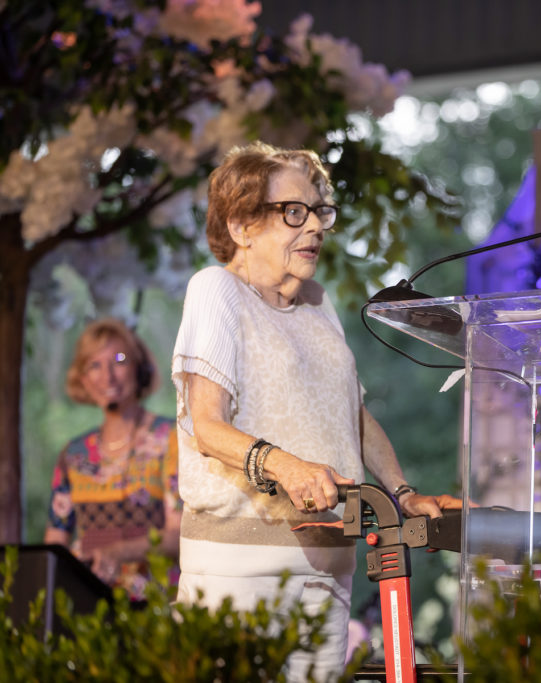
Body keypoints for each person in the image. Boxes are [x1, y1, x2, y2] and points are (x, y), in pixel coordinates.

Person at [171, 141, 456, 682]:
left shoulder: (321, 304)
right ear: (242, 225)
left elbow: (353, 416)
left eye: (319, 211)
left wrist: (401, 493)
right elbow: (206, 427)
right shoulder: (217, 291)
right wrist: (287, 466)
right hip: (245, 570)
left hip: (331, 567)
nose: (317, 227)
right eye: (293, 212)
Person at [44, 317, 180, 600]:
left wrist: (118, 552)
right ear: (83, 380)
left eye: (119, 359)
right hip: (85, 600)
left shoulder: (170, 439)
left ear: (139, 367)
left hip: (155, 602)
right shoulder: (73, 454)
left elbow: (179, 534)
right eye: (94, 365)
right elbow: (54, 543)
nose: (108, 375)